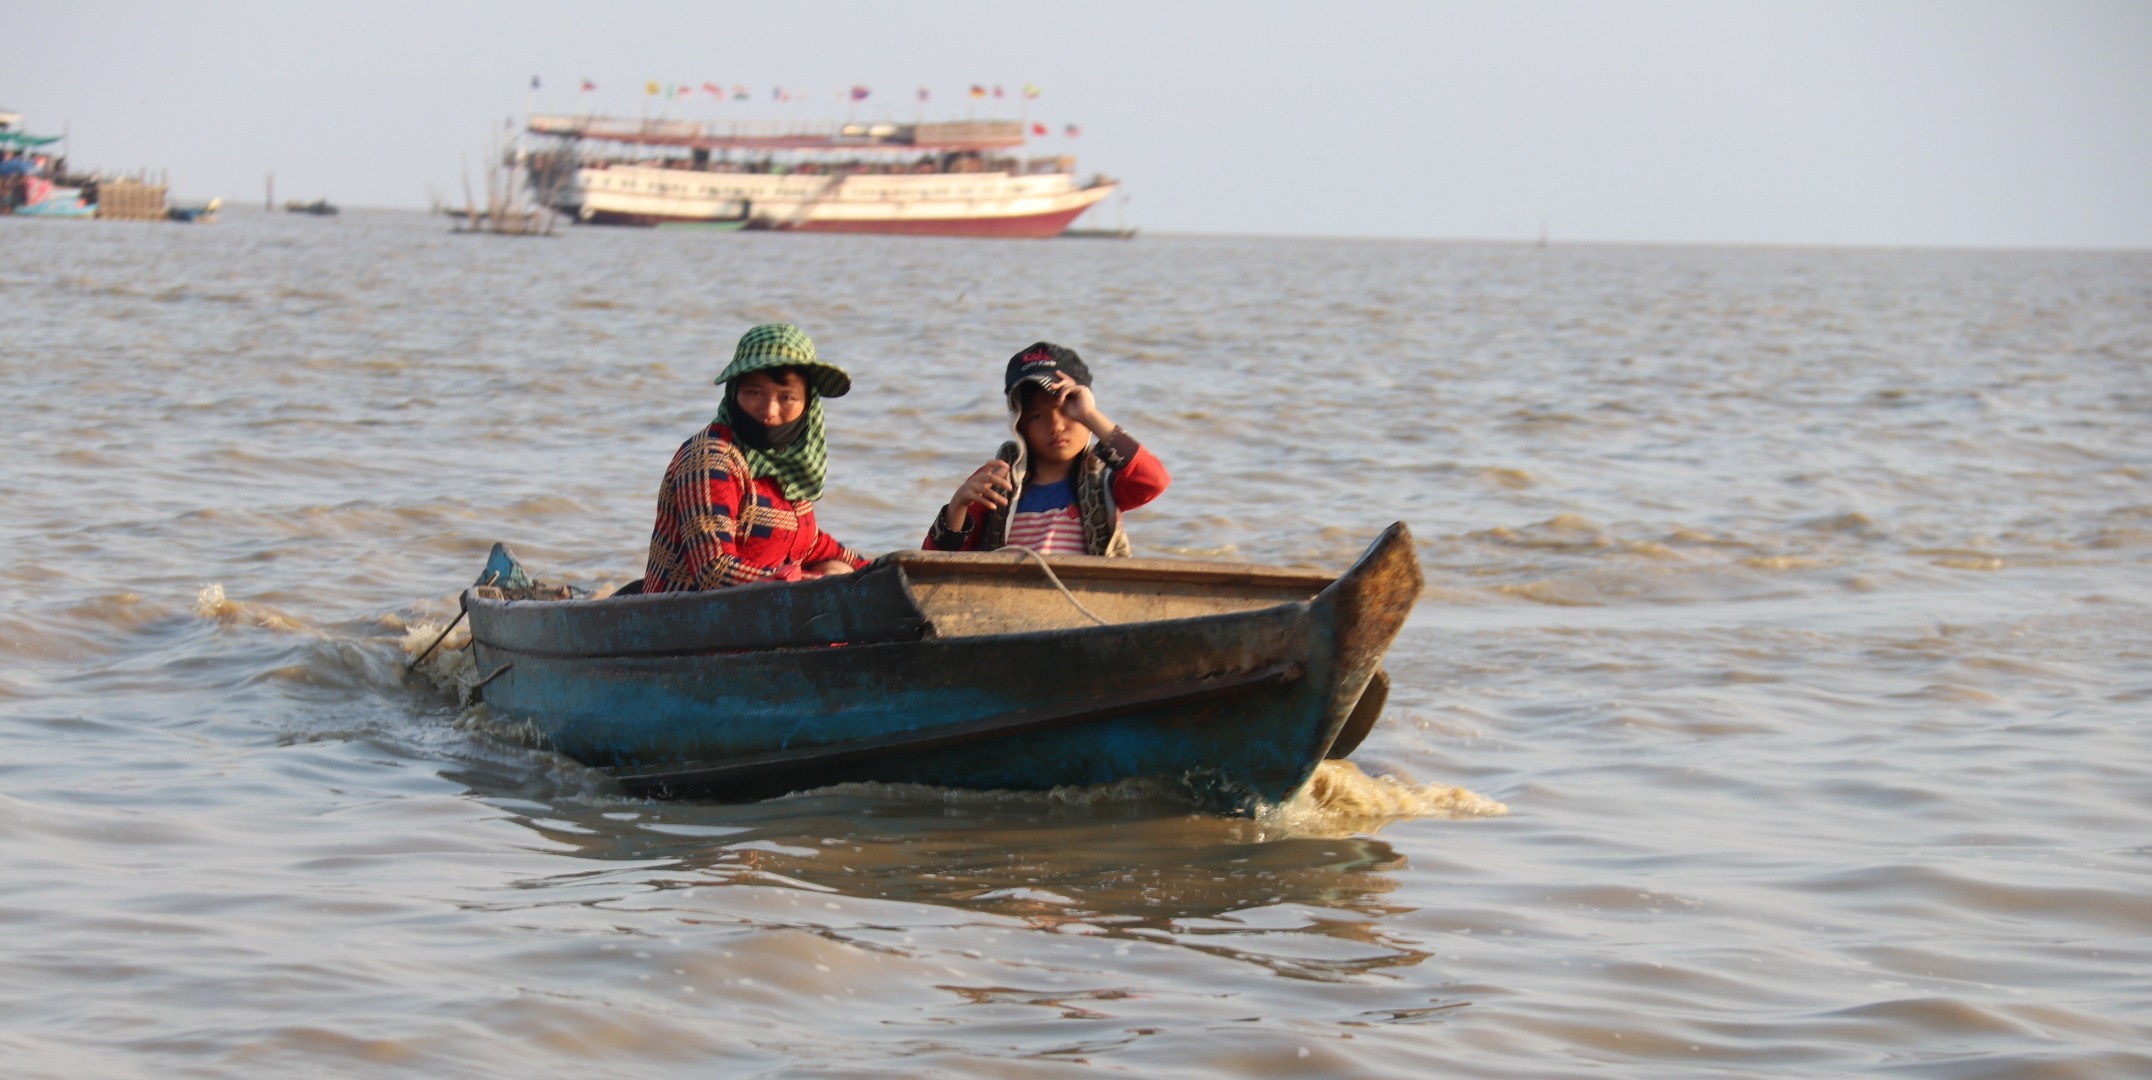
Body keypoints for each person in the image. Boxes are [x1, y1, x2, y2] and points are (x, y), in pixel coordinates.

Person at [644, 324, 869, 591]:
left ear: (807, 403)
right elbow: (713, 571)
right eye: (754, 393)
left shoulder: (789, 466)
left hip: (762, 612)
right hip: (688, 617)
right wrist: (831, 584)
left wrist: (874, 570)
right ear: (734, 392)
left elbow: (809, 544)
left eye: (787, 397)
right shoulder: (711, 457)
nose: (769, 410)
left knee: (837, 566)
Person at [925, 342, 1168, 556]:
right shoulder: (997, 480)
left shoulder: (1104, 478)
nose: (1056, 426)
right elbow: (939, 560)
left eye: (1067, 409)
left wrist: (1090, 415)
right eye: (1038, 416)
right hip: (1005, 600)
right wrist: (958, 505)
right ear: (1019, 424)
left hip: (1084, 601)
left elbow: (1153, 481)